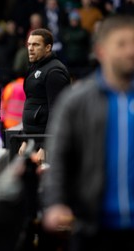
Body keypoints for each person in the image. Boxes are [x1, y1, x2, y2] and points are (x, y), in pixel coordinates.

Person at [41, 14, 134, 250]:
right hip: (92, 230)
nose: (130, 51)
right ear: (101, 51)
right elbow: (60, 156)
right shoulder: (76, 101)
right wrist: (55, 203)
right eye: (121, 44)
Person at [18, 28, 70, 162]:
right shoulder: (34, 68)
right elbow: (32, 104)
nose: (30, 48)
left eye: (36, 45)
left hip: (45, 145)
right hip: (32, 141)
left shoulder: (54, 72)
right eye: (29, 44)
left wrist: (46, 146)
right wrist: (25, 139)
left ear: (48, 48)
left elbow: (57, 111)